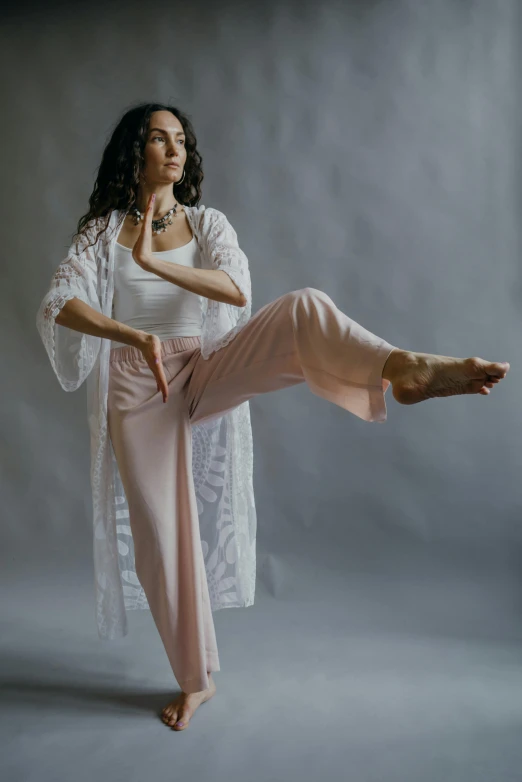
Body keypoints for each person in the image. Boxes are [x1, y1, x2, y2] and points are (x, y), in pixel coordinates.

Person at [36, 103, 510, 733]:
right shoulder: (103, 232)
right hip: (135, 382)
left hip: (200, 365)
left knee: (302, 308)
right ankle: (195, 680)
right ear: (135, 151)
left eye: (180, 139)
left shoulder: (206, 223)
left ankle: (400, 367)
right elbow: (59, 301)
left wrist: (154, 264)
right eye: (158, 139)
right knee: (160, 535)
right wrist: (131, 331)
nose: (173, 150)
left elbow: (238, 290)